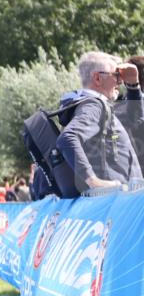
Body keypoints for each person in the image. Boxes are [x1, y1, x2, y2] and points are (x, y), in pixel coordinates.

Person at [57, 52, 142, 192]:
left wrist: (133, 85)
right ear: (97, 78)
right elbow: (68, 137)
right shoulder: (94, 105)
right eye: (116, 75)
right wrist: (93, 181)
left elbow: (135, 120)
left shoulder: (99, 105)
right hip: (117, 201)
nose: (120, 81)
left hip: (121, 199)